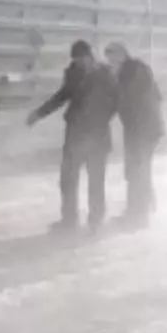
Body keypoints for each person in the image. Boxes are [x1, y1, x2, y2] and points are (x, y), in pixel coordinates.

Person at [27, 40, 120, 234]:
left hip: (97, 135)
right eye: (76, 59)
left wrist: (99, 120)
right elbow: (62, 96)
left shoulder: (105, 74)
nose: (79, 63)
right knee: (67, 178)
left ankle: (95, 220)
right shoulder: (72, 73)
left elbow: (115, 101)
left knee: (96, 180)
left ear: (90, 56)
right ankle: (69, 220)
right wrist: (39, 113)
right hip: (75, 133)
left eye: (82, 58)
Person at [104, 42, 164, 228]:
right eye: (109, 60)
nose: (111, 62)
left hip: (144, 129)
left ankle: (138, 215)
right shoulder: (127, 72)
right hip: (140, 129)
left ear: (122, 54)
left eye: (113, 58)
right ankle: (143, 209)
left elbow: (126, 98)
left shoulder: (135, 70)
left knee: (137, 170)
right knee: (138, 169)